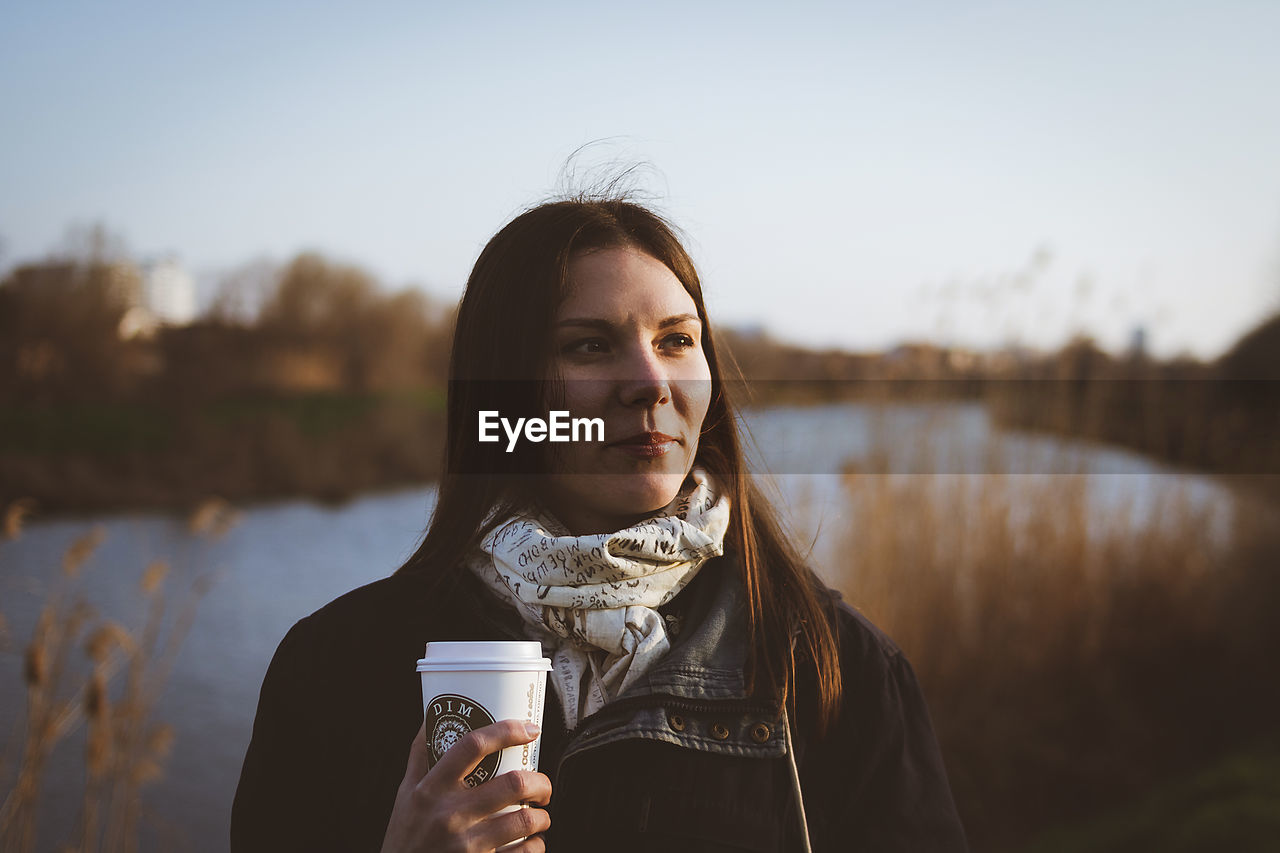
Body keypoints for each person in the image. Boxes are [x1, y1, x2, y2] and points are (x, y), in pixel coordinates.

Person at [231, 196, 969, 852]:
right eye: (590, 345)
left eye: (677, 339)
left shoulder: (836, 668)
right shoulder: (335, 665)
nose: (650, 382)